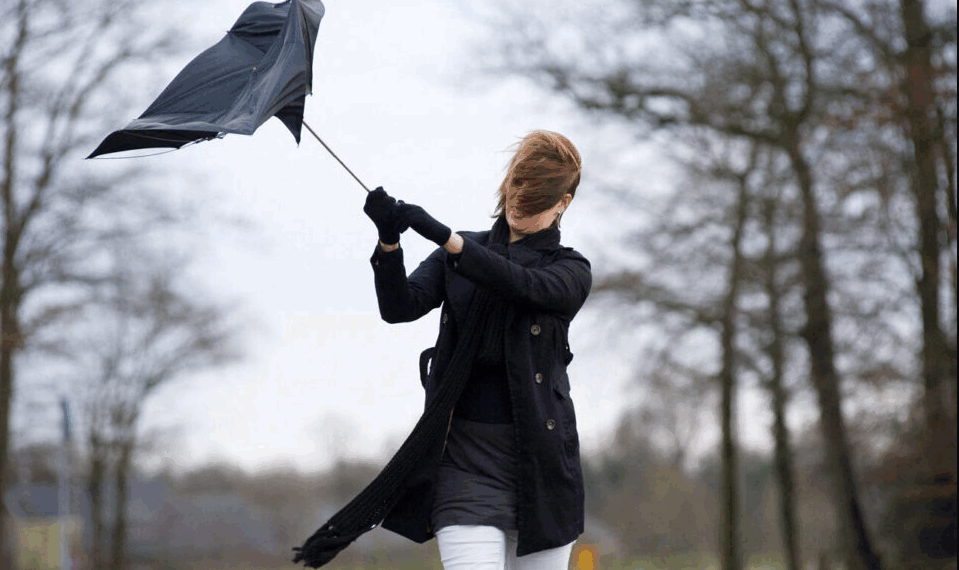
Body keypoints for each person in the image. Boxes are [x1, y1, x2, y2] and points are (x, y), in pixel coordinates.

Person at [361, 130, 592, 570]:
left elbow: (521, 284)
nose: (519, 206)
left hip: (541, 472)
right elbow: (399, 307)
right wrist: (389, 243)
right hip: (463, 467)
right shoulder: (461, 253)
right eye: (514, 193)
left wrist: (447, 239)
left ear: (563, 202)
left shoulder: (570, 270)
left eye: (534, 201)